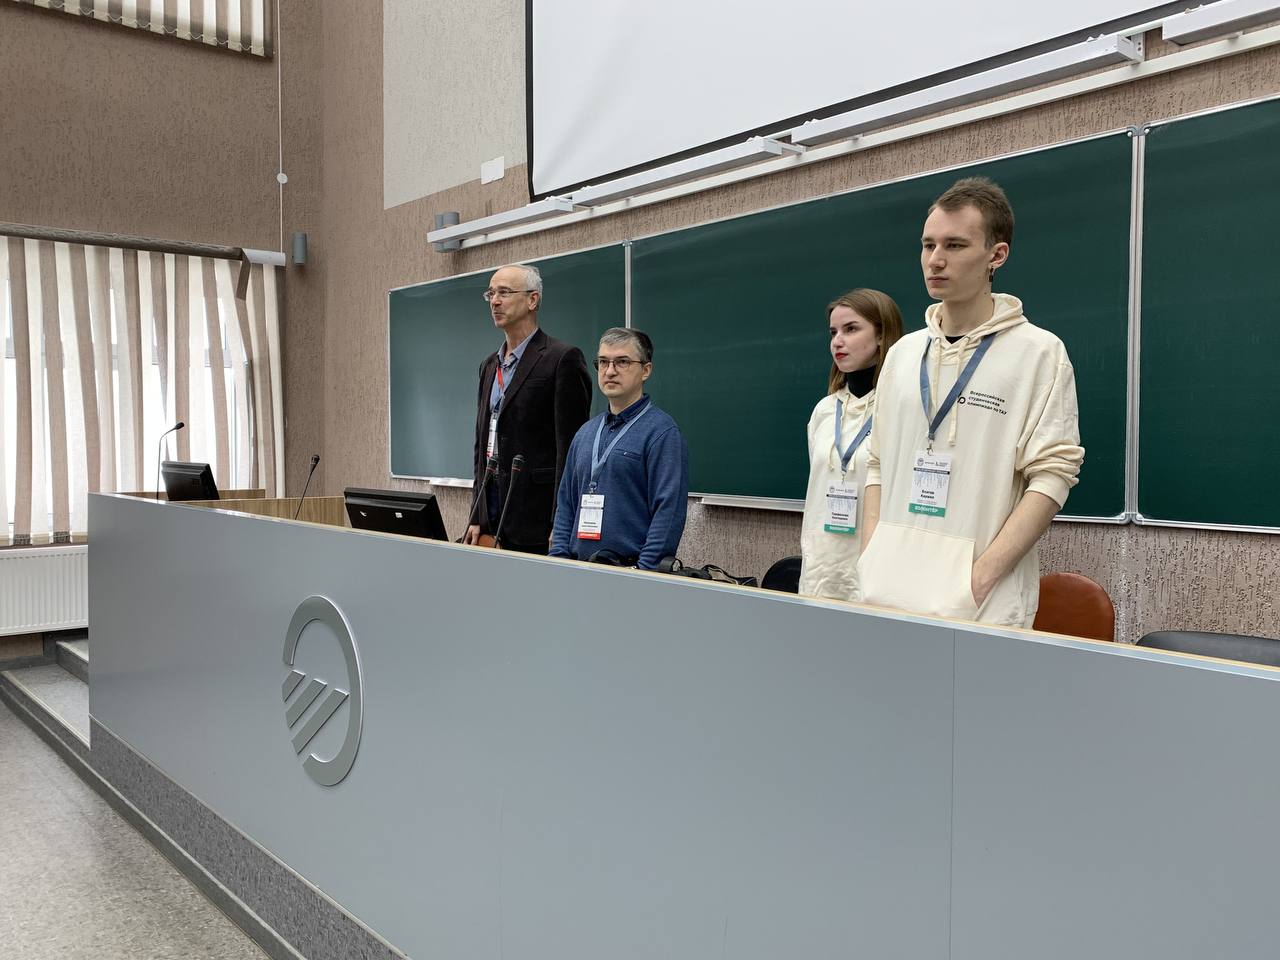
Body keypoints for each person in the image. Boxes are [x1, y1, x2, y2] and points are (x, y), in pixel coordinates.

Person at [857, 177, 1084, 627]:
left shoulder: (1038, 353)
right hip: (886, 592)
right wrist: (871, 556)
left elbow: (1053, 475)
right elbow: (877, 462)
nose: (935, 260)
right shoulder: (903, 354)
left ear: (996, 255)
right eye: (928, 245)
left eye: (955, 245)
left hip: (981, 604)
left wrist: (976, 582)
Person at [464, 263, 592, 553]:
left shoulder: (562, 359)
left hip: (537, 515)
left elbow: (571, 450)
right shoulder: (489, 365)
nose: (495, 301)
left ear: (533, 300)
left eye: (504, 293)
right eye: (491, 294)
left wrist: (562, 520)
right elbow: (481, 444)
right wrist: (477, 514)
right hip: (492, 507)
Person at [549, 328, 688, 569]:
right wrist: (559, 561)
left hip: (629, 574)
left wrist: (643, 572)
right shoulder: (585, 433)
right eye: (603, 362)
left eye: (622, 362)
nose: (610, 371)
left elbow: (668, 513)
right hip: (576, 572)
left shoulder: (662, 433)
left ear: (646, 370)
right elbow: (566, 505)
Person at [798, 289, 903, 601]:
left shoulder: (899, 407)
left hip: (875, 570)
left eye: (851, 329)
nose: (837, 341)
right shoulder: (824, 410)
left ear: (882, 335)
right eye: (833, 332)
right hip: (821, 568)